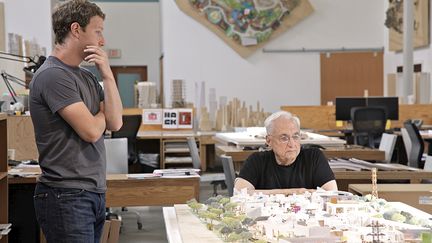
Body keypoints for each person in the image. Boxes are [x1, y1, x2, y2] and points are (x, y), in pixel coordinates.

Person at [29, 0, 123, 242]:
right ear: (75, 30)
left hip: (92, 191)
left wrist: (108, 75)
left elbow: (115, 123)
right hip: (66, 196)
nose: (102, 40)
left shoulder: (87, 77)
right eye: (98, 31)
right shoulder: (53, 75)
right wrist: (101, 115)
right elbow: (91, 131)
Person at [234, 111, 338, 195]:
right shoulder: (257, 160)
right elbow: (240, 193)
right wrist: (297, 192)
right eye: (284, 138)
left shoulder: (313, 157)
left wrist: (263, 193)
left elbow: (332, 193)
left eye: (295, 136)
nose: (292, 144)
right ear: (269, 141)